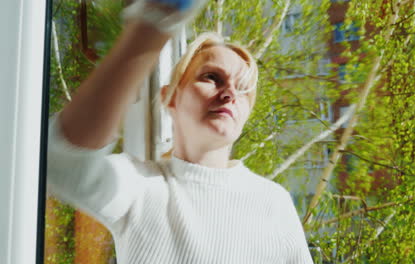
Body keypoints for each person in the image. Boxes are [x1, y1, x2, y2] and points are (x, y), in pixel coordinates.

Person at [47, 0, 313, 263]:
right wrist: (153, 25)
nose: (230, 93)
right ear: (170, 97)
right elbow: (63, 162)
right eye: (212, 77)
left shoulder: (274, 203)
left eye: (242, 87)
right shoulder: (140, 186)